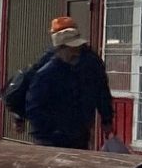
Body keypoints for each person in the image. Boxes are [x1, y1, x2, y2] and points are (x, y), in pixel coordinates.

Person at [24, 17, 113, 149]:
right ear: (60, 49)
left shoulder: (90, 63)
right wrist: (50, 133)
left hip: (77, 134)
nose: (76, 52)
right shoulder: (46, 72)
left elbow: (101, 92)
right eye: (72, 48)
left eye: (77, 47)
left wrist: (106, 119)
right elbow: (33, 105)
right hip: (52, 139)